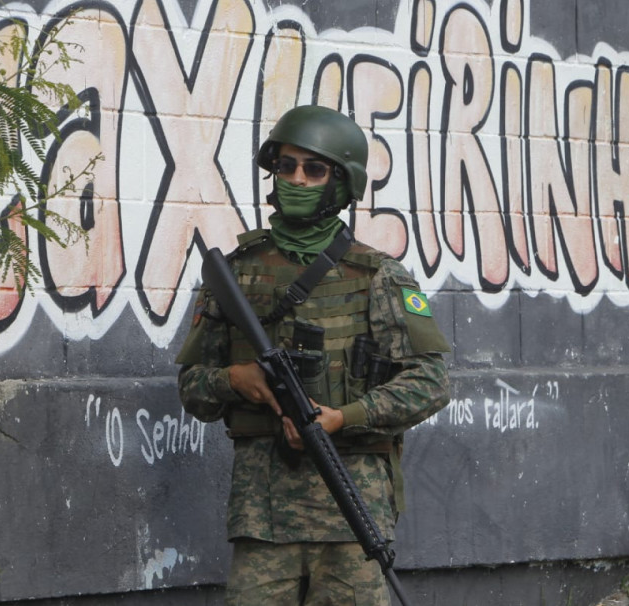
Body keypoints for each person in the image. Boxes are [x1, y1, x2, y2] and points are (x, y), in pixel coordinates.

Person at [176, 105, 451, 606]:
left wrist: (345, 417)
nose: (297, 179)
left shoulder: (378, 277)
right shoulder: (236, 274)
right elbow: (192, 388)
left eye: (314, 169)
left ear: (343, 183)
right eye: (286, 166)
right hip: (262, 515)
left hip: (352, 512)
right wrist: (234, 380)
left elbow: (431, 383)